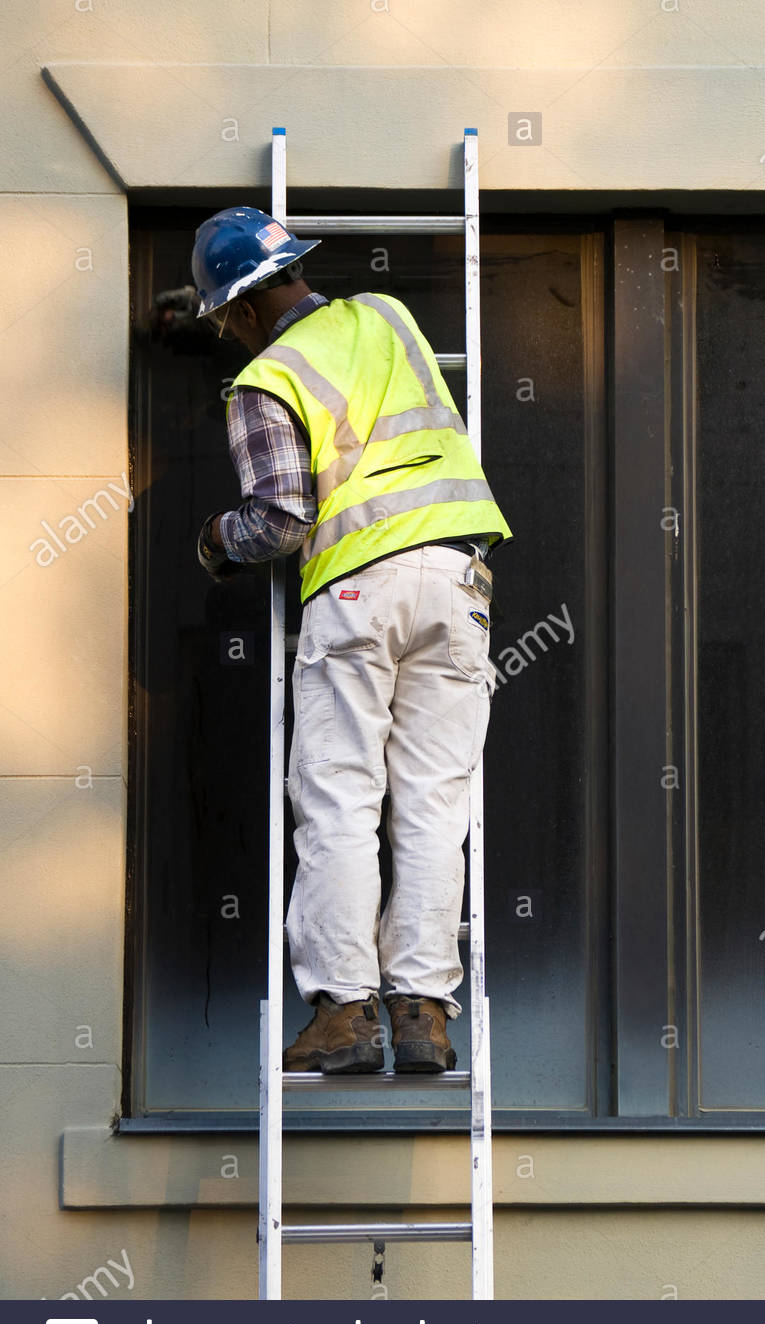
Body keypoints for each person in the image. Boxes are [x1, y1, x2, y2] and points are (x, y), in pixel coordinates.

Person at [189, 206, 512, 1075]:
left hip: (360, 591)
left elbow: (281, 519)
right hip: (457, 582)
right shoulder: (388, 317)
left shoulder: (264, 381)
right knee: (437, 809)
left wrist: (216, 539)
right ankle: (422, 1014)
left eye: (225, 318)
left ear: (243, 313)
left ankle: (343, 1012)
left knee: (338, 802)